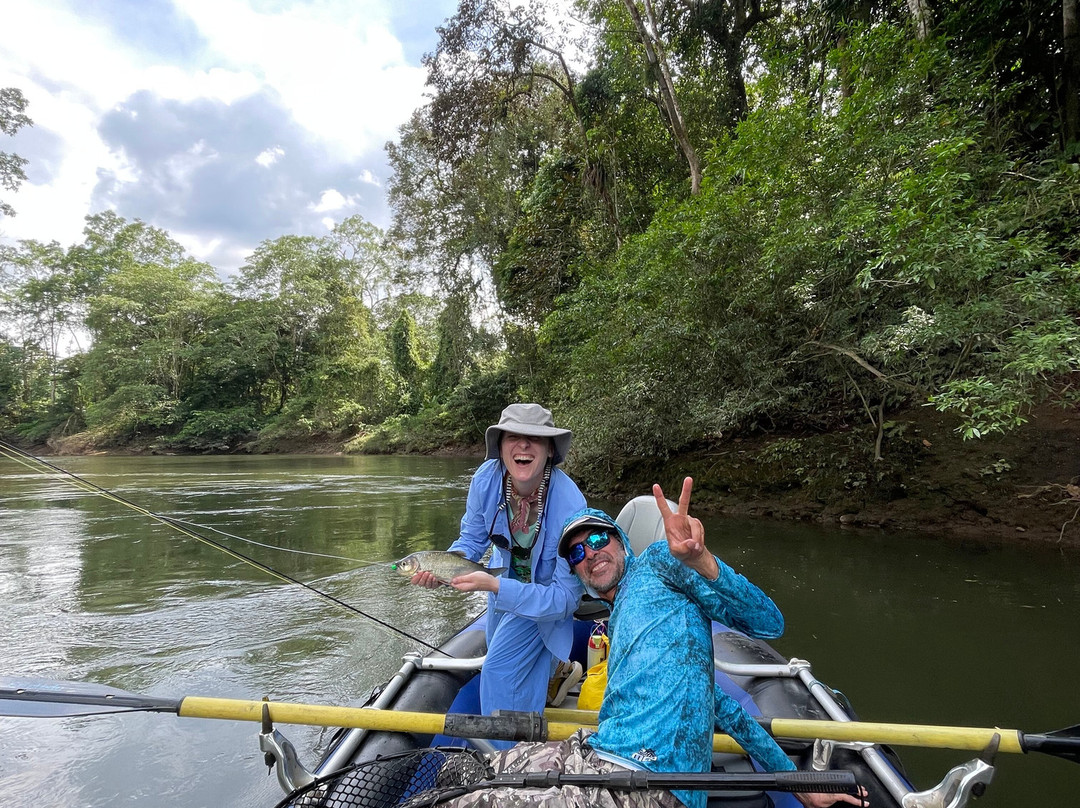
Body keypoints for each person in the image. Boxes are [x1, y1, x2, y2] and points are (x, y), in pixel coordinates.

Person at [430, 478, 866, 808]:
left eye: (598, 539)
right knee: (465, 774)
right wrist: (794, 781)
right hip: (595, 751)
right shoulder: (617, 622)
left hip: (648, 782)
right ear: (575, 571)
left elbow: (768, 622)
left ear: (622, 543)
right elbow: (722, 706)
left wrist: (702, 560)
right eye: (576, 553)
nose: (590, 554)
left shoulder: (658, 564)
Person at [409, 403, 586, 729]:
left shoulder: (571, 507)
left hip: (542, 599)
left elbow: (565, 600)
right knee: (505, 654)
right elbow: (471, 542)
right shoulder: (485, 481)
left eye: (535, 438)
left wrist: (495, 586)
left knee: (499, 671)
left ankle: (508, 758)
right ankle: (556, 672)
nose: (522, 445)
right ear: (501, 448)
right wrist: (443, 569)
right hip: (500, 588)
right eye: (513, 437)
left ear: (549, 450)